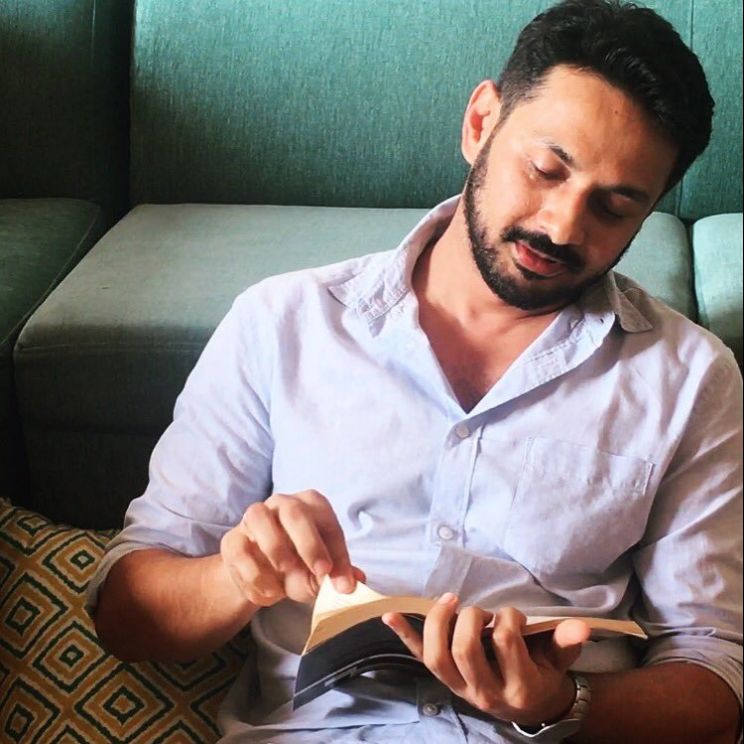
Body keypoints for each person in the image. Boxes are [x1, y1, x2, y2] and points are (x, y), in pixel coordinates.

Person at [88, 1, 742, 742]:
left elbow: (715, 676)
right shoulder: (285, 323)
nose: (562, 226)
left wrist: (561, 705)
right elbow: (125, 617)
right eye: (545, 170)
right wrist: (237, 577)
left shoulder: (689, 378)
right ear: (481, 123)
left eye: (615, 208)